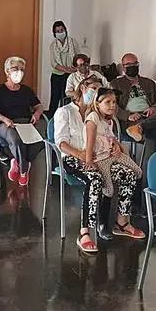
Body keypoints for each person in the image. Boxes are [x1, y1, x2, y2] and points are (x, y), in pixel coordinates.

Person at [54, 76, 109, 253]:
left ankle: (111, 222)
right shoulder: (65, 112)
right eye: (93, 88)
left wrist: (114, 145)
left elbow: (108, 135)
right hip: (73, 157)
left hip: (97, 156)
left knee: (123, 173)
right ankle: (85, 232)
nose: (96, 93)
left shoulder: (97, 114)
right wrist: (81, 155)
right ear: (83, 88)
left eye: (99, 90)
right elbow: (61, 143)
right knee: (94, 179)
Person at [84, 87, 146, 240]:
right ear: (97, 103)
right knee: (109, 190)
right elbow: (89, 142)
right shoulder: (93, 118)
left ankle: (126, 217)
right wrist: (89, 161)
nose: (112, 105)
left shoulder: (109, 119)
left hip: (111, 155)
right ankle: (102, 225)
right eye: (108, 102)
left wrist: (118, 146)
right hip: (100, 159)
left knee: (136, 172)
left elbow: (110, 137)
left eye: (114, 102)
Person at [110, 53, 156, 165]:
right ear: (123, 67)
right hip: (130, 121)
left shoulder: (149, 83)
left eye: (135, 64)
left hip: (149, 116)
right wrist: (128, 116)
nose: (132, 66)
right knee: (153, 132)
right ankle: (149, 172)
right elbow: (112, 106)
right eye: (128, 65)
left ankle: (140, 127)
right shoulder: (115, 84)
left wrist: (154, 108)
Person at [0, 57, 44, 185]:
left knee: (40, 142)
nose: (19, 72)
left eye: (22, 69)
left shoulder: (26, 90)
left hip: (25, 124)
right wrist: (4, 119)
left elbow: (39, 106)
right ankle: (24, 171)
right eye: (15, 69)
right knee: (15, 139)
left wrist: (37, 114)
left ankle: (17, 161)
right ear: (7, 71)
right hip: (5, 124)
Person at [48, 20, 79, 115]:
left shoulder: (73, 42)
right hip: (57, 74)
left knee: (68, 98)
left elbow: (78, 57)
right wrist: (66, 69)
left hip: (71, 75)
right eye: (57, 31)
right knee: (55, 98)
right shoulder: (53, 45)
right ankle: (51, 119)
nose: (60, 33)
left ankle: (67, 117)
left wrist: (74, 68)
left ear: (65, 30)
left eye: (61, 30)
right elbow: (53, 63)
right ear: (54, 33)